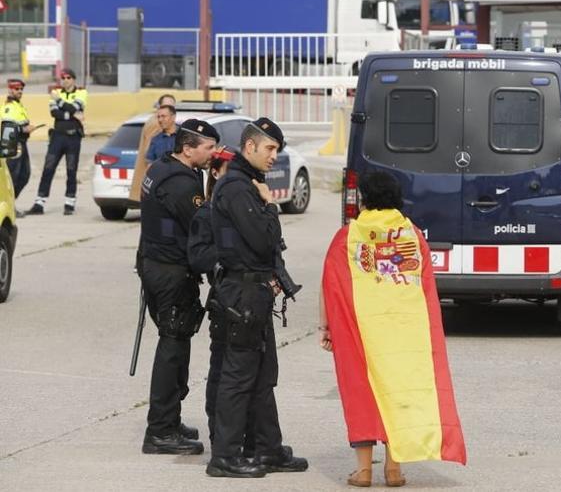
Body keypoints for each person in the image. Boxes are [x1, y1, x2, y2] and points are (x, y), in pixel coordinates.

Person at [319, 172, 467, 487]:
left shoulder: (348, 236)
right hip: (405, 330)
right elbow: (427, 286)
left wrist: (327, 327)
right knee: (397, 393)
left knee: (361, 392)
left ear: (365, 198)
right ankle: (394, 469)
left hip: (361, 330)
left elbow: (329, 286)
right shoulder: (413, 235)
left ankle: (363, 471)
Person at [207, 118, 308, 478]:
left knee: (264, 375)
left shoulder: (247, 183)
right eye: (269, 149)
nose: (274, 157)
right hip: (242, 293)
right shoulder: (238, 188)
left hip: (255, 291)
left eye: (277, 150)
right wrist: (269, 206)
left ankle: (267, 449)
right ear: (249, 147)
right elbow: (264, 242)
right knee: (238, 377)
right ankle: (225, 456)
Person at [138, 118, 219, 455]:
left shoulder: (162, 168)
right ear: (188, 149)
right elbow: (202, 227)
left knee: (174, 344)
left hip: (155, 265)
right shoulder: (183, 184)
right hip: (170, 272)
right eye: (209, 148)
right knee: (172, 349)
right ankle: (159, 431)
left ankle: (169, 421)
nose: (214, 154)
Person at [28, 68, 87, 215]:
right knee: (48, 168)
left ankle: (69, 203)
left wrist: (60, 103)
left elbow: (75, 107)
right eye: (63, 77)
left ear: (73, 79)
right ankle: (39, 203)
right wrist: (72, 115)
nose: (65, 80)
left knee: (71, 170)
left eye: (68, 77)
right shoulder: (56, 91)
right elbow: (54, 113)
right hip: (57, 137)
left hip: (73, 137)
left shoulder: (81, 92)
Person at [131, 94, 177, 205]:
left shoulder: (181, 134)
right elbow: (150, 159)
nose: (161, 119)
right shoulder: (155, 126)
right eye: (166, 105)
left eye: (172, 105)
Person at [2, 79, 34, 202]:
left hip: (21, 143)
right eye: (17, 89)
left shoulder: (18, 105)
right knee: (12, 177)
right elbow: (7, 128)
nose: (20, 91)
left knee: (25, 175)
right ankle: (9, 205)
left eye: (21, 89)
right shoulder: (9, 107)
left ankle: (10, 204)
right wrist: (24, 129)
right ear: (10, 90)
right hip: (13, 144)